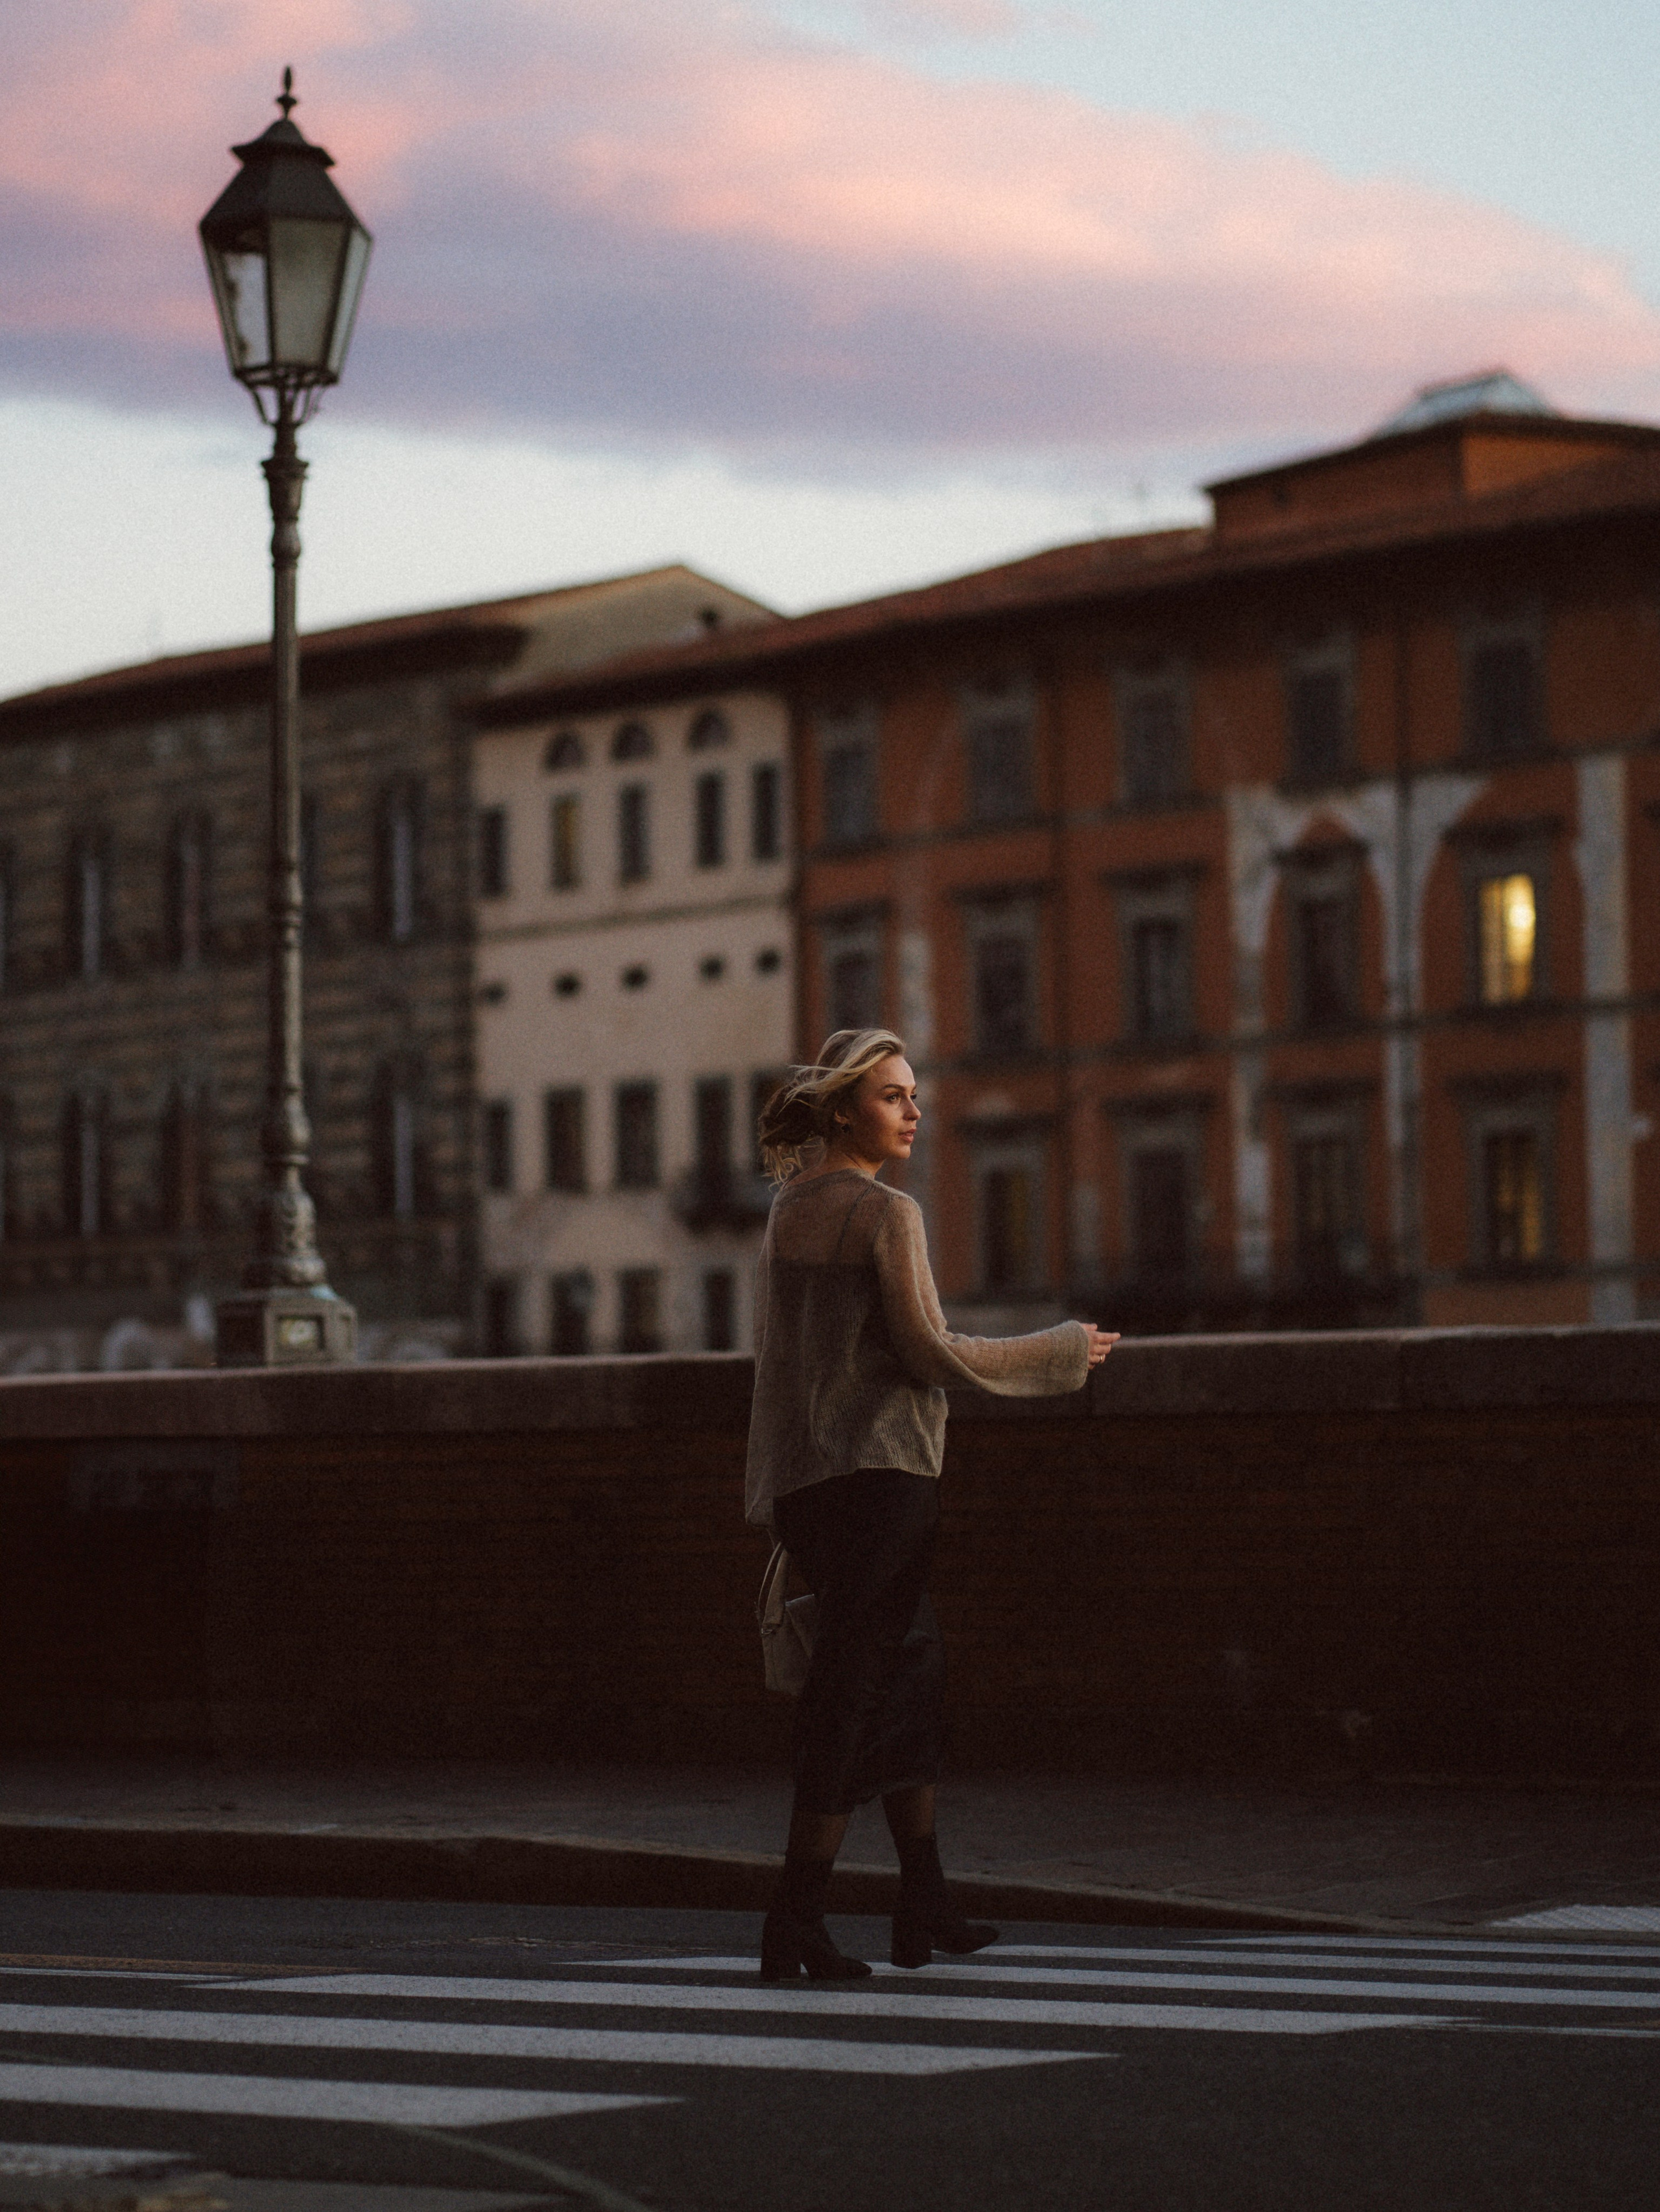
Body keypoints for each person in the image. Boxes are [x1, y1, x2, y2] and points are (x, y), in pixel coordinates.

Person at [747, 1027, 1117, 1982]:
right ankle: (795, 1916)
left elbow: (784, 1375)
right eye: (892, 1096)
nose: (915, 1111)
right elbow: (930, 1351)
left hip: (813, 1488)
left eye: (913, 1095)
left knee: (906, 1673)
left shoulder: (787, 1210)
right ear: (842, 1110)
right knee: (856, 1692)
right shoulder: (884, 1213)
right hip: (884, 1480)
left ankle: (924, 1903)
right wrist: (1059, 1350)